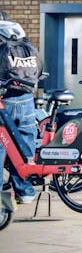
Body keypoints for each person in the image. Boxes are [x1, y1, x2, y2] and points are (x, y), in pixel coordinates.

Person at [0, 11, 43, 204]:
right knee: (24, 144)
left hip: (4, 99)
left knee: (2, 145)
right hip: (26, 97)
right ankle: (25, 191)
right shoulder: (20, 36)